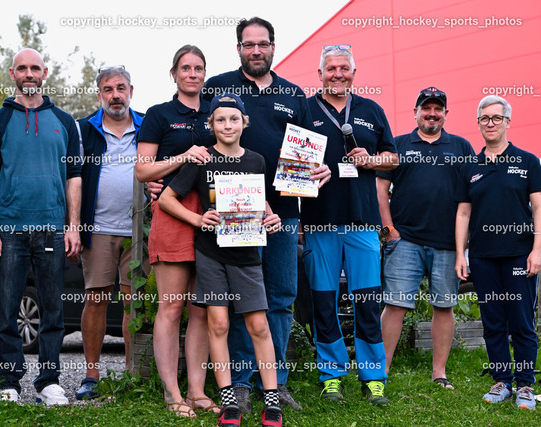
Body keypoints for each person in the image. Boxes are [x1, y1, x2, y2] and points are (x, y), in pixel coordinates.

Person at [203, 16, 330, 413]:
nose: (255, 50)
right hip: (235, 213)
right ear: (238, 48)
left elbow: (308, 148)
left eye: (262, 44)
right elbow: (199, 140)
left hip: (283, 213)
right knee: (242, 301)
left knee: (280, 296)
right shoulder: (218, 87)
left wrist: (320, 168)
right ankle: (240, 383)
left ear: (273, 47)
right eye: (248, 44)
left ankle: (275, 383)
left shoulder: (294, 94)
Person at [160, 93, 283, 427]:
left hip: (247, 255)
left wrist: (272, 217)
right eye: (220, 120)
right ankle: (228, 400)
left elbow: (260, 201)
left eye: (233, 119)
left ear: (244, 123)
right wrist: (197, 219)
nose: (227, 125)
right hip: (211, 254)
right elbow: (167, 199)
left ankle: (272, 400)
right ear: (211, 124)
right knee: (218, 324)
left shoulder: (256, 160)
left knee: (259, 325)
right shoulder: (201, 159)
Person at [0, 48, 81, 405]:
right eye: (22, 68)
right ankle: (8, 382)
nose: (29, 73)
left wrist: (73, 226)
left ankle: (49, 382)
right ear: (12, 74)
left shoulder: (64, 121)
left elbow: (73, 176)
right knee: (6, 309)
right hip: (9, 231)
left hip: (52, 229)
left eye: (34, 68)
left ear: (45, 72)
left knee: (53, 310)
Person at [302, 45, 397, 405]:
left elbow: (393, 158)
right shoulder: (305, 110)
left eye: (344, 68)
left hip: (363, 223)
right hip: (319, 222)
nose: (338, 74)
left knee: (367, 302)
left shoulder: (372, 110)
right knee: (324, 302)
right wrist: (308, 172)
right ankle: (332, 376)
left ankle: (373, 378)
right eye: (331, 68)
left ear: (354, 74)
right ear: (320, 74)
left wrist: (371, 160)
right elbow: (290, 164)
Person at [135, 45, 217, 418]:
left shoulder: (215, 112)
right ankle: (172, 393)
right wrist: (184, 157)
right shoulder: (159, 115)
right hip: (173, 211)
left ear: (204, 74)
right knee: (171, 306)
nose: (192, 74)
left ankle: (197, 392)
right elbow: (143, 170)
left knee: (201, 308)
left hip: (213, 215)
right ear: (174, 74)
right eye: (185, 68)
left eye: (198, 68)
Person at [378, 87, 475, 390]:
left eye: (438, 109)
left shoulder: (461, 146)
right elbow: (380, 188)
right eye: (426, 108)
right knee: (395, 305)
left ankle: (439, 373)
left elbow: (471, 194)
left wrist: (463, 243)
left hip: (447, 243)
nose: (432, 114)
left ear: (445, 113)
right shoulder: (397, 144)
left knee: (443, 306)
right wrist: (389, 230)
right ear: (416, 112)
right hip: (405, 240)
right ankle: (380, 372)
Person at [455, 95, 541, 410]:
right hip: (482, 256)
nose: (490, 123)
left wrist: (537, 250)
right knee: (492, 321)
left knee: (521, 321)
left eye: (496, 118)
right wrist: (460, 254)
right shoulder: (470, 167)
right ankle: (502, 381)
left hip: (520, 255)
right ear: (478, 123)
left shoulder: (528, 161)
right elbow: (463, 213)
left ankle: (525, 385)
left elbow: (538, 208)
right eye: (484, 118)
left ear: (507, 122)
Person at [74, 66, 144, 400]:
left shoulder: (147, 126)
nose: (115, 95)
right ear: (99, 94)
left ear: (131, 90)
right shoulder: (83, 129)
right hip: (98, 227)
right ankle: (91, 375)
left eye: (120, 88)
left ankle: (132, 373)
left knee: (134, 302)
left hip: (138, 229)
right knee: (96, 299)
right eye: (108, 89)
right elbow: (72, 178)